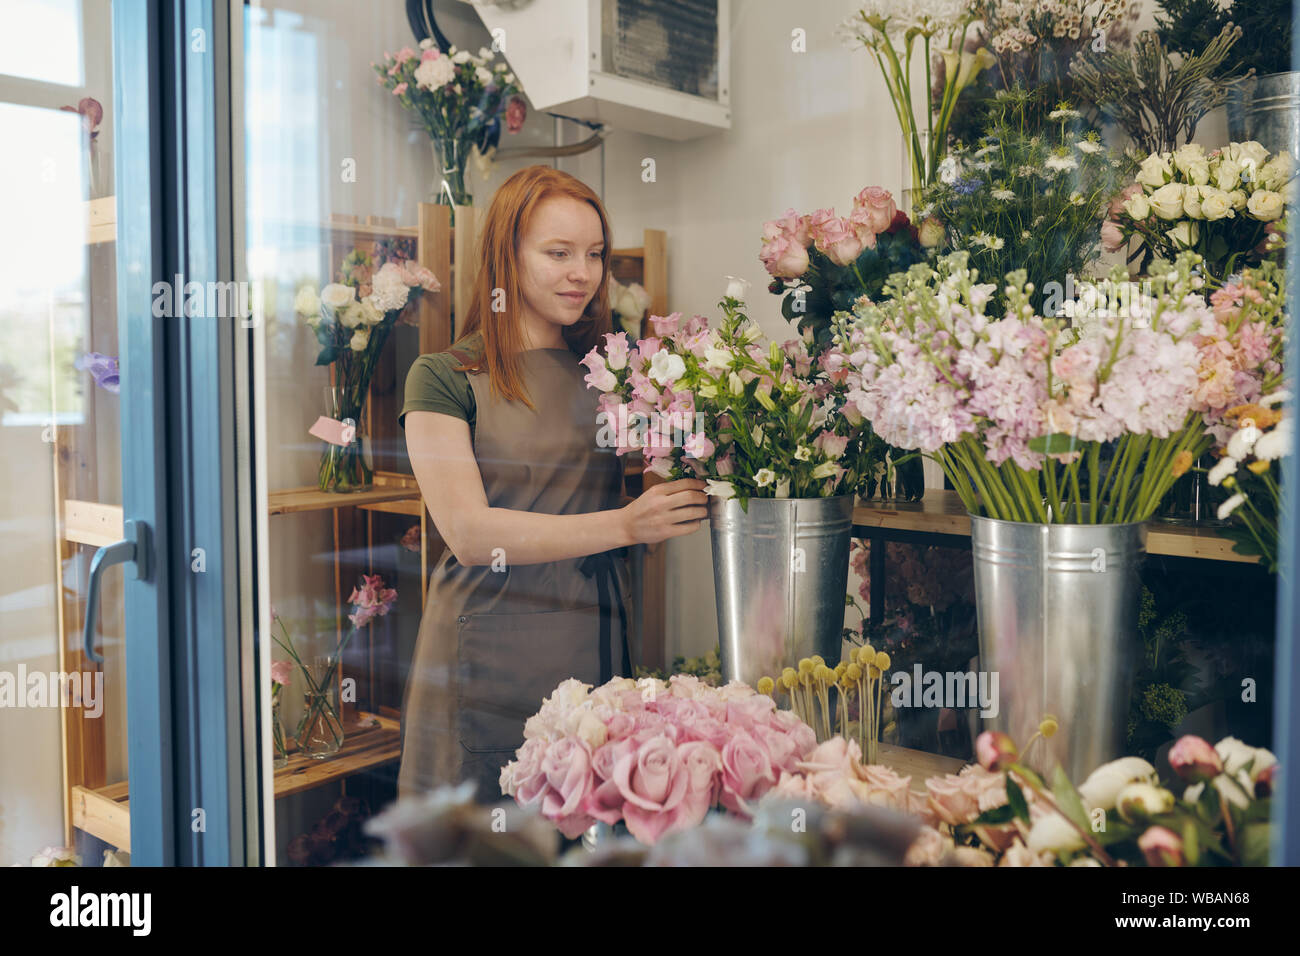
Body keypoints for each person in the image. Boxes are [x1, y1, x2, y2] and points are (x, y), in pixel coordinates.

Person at [396, 165, 707, 803]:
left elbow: (647, 486)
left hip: (593, 645)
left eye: (593, 254)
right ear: (506, 257)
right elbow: (470, 533)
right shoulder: (444, 377)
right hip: (487, 661)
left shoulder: (609, 373)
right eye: (558, 253)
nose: (582, 274)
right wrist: (626, 524)